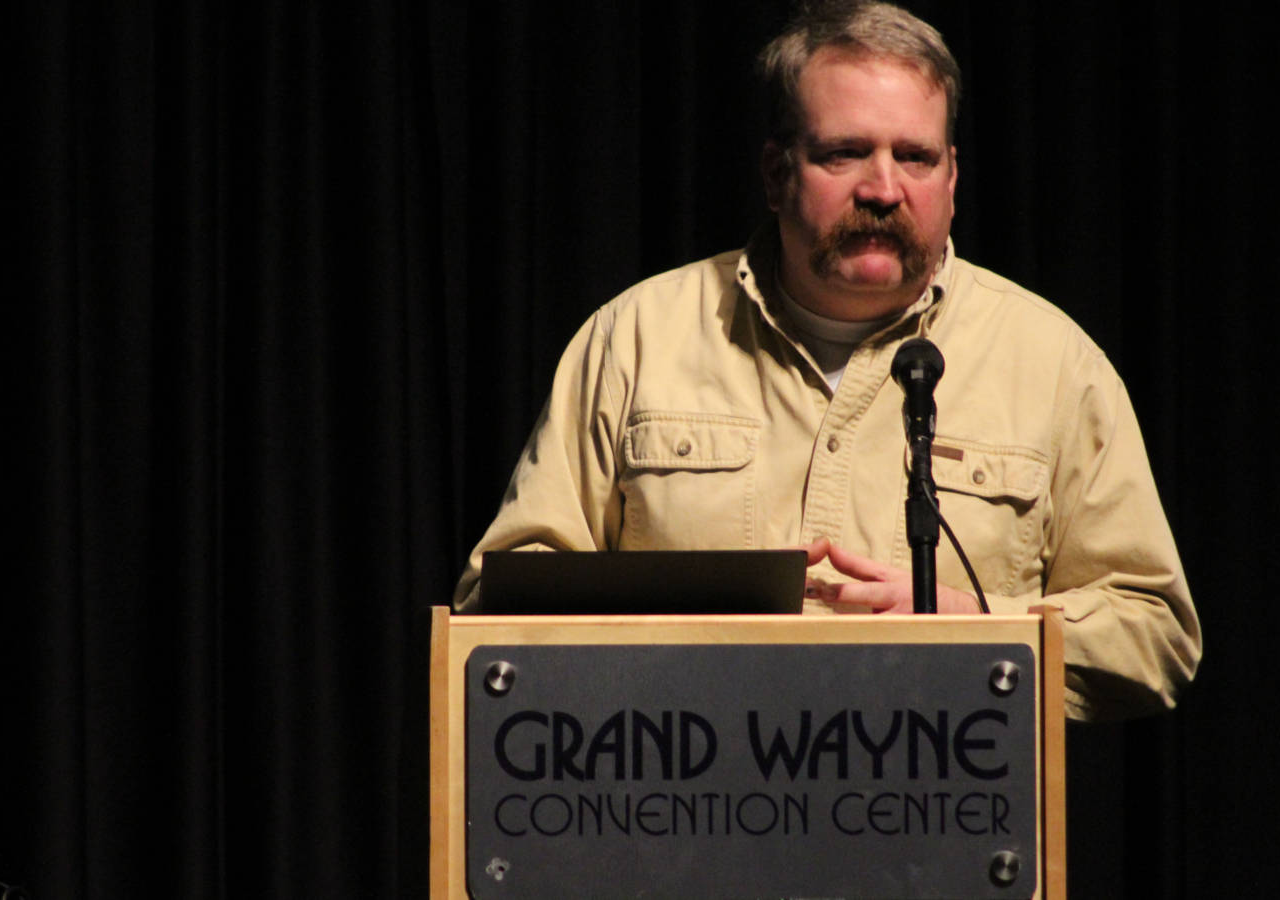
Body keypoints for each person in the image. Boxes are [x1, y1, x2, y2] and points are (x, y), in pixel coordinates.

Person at [452, 0, 1200, 721]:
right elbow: (496, 609)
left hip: (947, 829)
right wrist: (687, 639)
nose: (883, 189)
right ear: (777, 173)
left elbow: (1154, 632)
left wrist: (981, 626)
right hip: (679, 819)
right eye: (845, 153)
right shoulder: (635, 338)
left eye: (915, 156)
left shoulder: (1052, 361)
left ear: (953, 180)